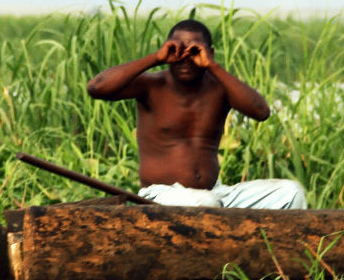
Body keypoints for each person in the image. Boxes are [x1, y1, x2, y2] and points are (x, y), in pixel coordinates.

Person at [86, 19, 307, 209]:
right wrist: (156, 58)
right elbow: (96, 87)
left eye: (193, 51)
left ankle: (277, 251)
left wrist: (212, 66)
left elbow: (261, 112)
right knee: (205, 203)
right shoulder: (151, 85)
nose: (185, 58)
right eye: (177, 51)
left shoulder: (220, 88)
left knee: (291, 192)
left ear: (208, 52)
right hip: (162, 197)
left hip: (216, 194)